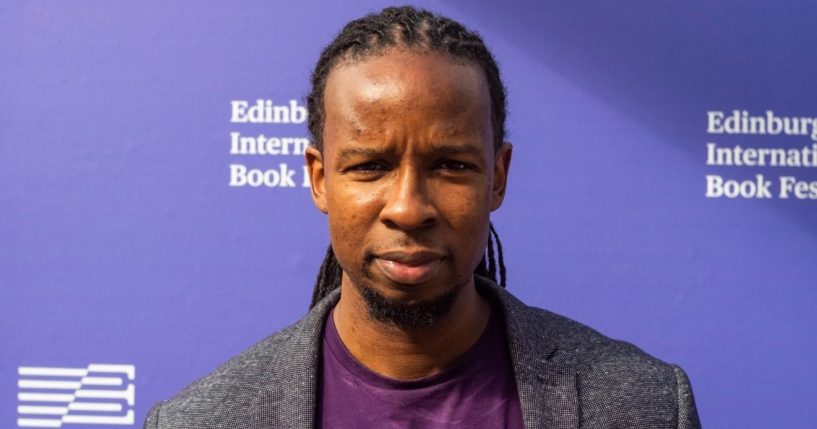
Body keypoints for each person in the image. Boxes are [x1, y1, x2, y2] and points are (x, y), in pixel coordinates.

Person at [144, 6, 700, 429]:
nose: (409, 208)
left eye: (451, 165)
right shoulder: (203, 419)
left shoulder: (642, 403)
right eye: (370, 166)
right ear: (319, 178)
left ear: (498, 177)